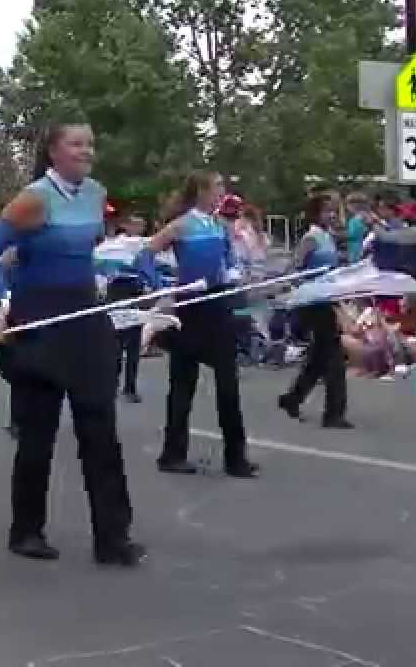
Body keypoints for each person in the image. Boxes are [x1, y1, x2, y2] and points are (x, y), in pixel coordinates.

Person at [0, 122, 144, 567]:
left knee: (100, 428)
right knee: (38, 433)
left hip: (84, 317)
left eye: (90, 143)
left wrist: (105, 273)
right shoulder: (34, 198)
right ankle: (27, 530)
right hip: (39, 320)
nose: (87, 151)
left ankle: (113, 537)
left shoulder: (95, 194)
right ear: (53, 151)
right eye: (76, 144)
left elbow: (84, 251)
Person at [139, 171, 257, 478]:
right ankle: (172, 454)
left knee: (228, 383)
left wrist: (234, 274)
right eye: (217, 187)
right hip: (190, 307)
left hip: (218, 305)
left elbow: (229, 260)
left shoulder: (220, 226)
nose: (221, 193)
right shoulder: (181, 225)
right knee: (183, 384)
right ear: (201, 191)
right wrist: (160, 287)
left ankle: (236, 457)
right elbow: (144, 256)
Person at [278, 194, 354, 430]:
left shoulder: (328, 237)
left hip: (327, 299)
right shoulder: (311, 238)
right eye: (326, 211)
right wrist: (305, 286)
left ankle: (293, 398)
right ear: (315, 213)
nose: (331, 215)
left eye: (333, 211)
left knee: (320, 357)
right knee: (334, 358)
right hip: (313, 303)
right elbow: (293, 269)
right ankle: (333, 413)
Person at [107, 215, 147, 402]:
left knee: (134, 343)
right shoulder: (115, 245)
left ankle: (130, 387)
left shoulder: (142, 245)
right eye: (136, 224)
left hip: (135, 291)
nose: (139, 228)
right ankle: (112, 383)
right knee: (116, 341)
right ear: (126, 225)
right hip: (118, 290)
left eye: (142, 225)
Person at [344, 192, 371, 263]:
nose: (346, 207)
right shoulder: (366, 217)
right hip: (362, 249)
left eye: (347, 204)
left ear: (353, 205)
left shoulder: (354, 220)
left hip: (354, 250)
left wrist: (336, 234)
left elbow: (352, 235)